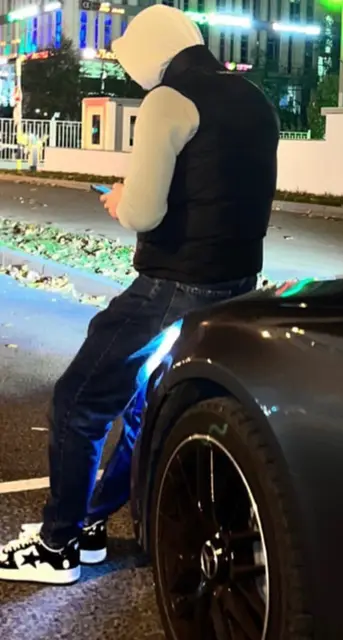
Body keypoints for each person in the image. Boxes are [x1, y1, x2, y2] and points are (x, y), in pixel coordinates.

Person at [0, 4, 279, 584]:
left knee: (79, 402)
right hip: (232, 286)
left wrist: (120, 199)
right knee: (144, 408)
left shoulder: (168, 100)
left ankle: (57, 547)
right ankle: (90, 524)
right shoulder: (254, 98)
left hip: (171, 284)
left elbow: (145, 212)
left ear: (151, 52)